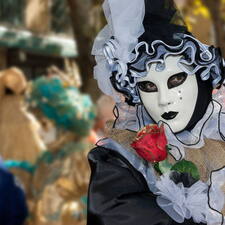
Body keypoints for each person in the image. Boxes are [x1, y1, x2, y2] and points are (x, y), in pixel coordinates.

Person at [87, 0, 225, 224]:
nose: (163, 100)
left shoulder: (219, 139)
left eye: (176, 79)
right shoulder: (119, 164)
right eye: (148, 87)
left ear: (202, 81)